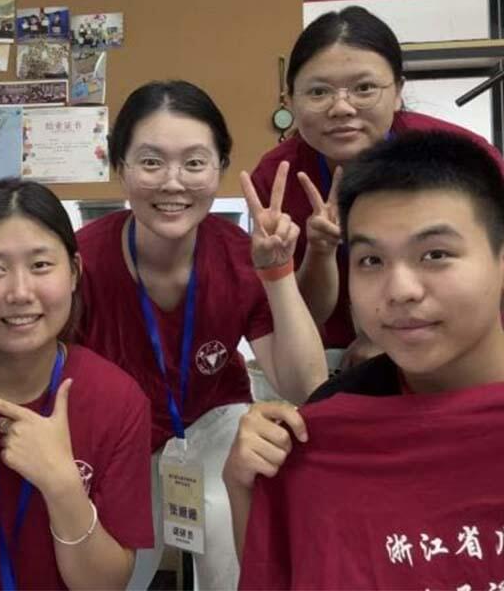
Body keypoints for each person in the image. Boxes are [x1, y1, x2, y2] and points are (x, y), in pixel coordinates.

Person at [76, 80, 326, 590]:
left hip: (213, 427)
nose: (174, 183)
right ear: (120, 169)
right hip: (116, 439)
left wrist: (278, 273)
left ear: (219, 169)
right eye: (151, 163)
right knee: (109, 571)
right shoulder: (82, 260)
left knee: (227, 527)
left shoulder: (239, 252)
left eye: (194, 163)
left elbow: (305, 385)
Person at [229, 131, 504, 589]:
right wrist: (242, 486)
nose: (400, 291)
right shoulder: (333, 421)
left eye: (435, 255)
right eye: (371, 261)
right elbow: (286, 572)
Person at [0, 178, 154, 590]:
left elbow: (105, 586)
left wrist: (62, 485)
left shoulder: (117, 401)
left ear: (74, 272)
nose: (19, 292)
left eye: (40, 265)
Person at [251, 6, 504, 365]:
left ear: (398, 90)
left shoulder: (460, 156)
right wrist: (320, 250)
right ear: (290, 99)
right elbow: (295, 310)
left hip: (458, 343)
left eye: (364, 88)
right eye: (319, 92)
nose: (342, 108)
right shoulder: (277, 176)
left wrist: (388, 339)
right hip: (334, 358)